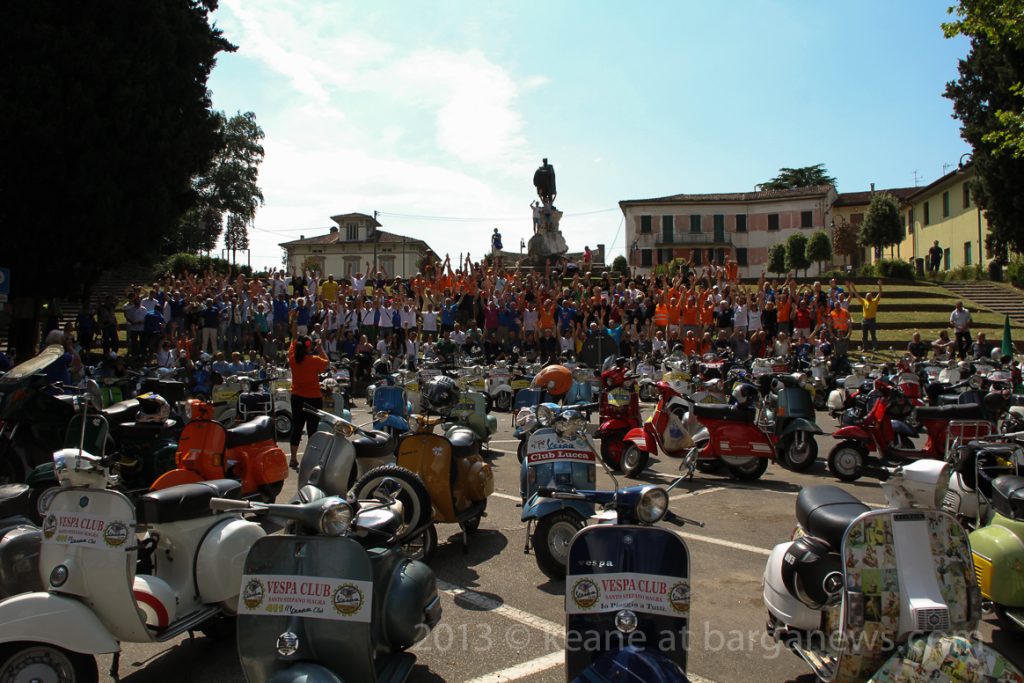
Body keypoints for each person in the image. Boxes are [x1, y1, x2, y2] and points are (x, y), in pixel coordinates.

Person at [287, 321, 329, 469]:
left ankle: (293, 458)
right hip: (313, 398)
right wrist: (320, 348)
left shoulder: (293, 359)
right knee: (312, 429)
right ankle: (312, 459)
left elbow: (293, 340)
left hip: (297, 397)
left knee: (297, 427)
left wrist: (293, 322)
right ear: (309, 346)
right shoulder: (315, 360)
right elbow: (326, 362)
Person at [848, 280, 882, 353]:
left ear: (872, 297)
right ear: (865, 297)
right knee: (864, 335)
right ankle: (865, 348)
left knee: (873, 335)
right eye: (867, 296)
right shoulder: (863, 301)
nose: (868, 297)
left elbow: (880, 293)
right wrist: (853, 287)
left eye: (870, 296)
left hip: (872, 320)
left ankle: (875, 348)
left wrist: (880, 285)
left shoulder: (875, 301)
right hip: (865, 320)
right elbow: (857, 295)